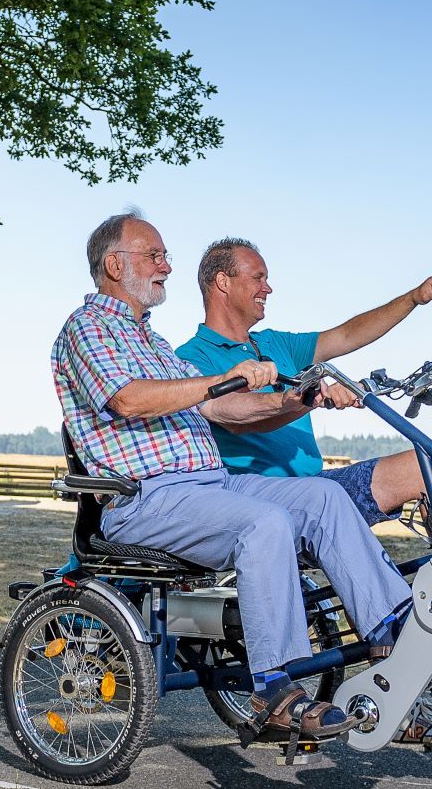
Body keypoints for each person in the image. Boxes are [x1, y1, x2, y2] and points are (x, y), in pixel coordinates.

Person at [51, 211, 413, 742]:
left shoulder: (152, 343)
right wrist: (222, 378)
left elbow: (224, 410)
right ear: (114, 264)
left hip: (210, 484)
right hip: (145, 498)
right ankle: (274, 689)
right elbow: (128, 400)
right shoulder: (87, 329)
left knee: (323, 497)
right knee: (263, 523)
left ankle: (396, 632)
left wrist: (295, 399)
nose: (166, 267)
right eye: (154, 256)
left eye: (165, 256)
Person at [177, 239, 432, 530]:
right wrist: (304, 397)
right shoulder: (190, 358)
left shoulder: (275, 342)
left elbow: (346, 335)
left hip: (316, 484)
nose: (267, 288)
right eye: (257, 278)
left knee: (431, 469)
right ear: (223, 282)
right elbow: (228, 411)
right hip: (262, 499)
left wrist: (413, 298)